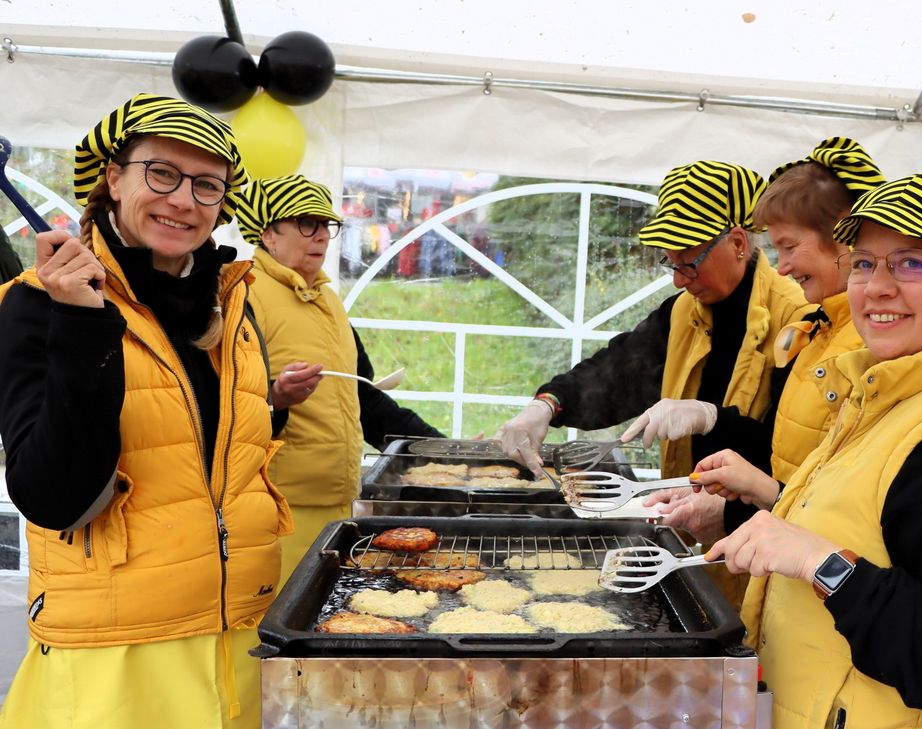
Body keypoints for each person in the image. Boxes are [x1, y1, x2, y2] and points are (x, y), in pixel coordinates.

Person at [0, 93, 317, 729]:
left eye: (207, 185)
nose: (183, 200)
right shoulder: (36, 305)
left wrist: (271, 409)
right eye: (162, 173)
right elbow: (52, 496)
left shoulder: (232, 302)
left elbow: (219, 444)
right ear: (113, 178)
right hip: (117, 659)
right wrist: (80, 324)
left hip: (244, 635)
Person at [697, 172, 922, 727]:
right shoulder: (886, 391)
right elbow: (861, 525)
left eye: (911, 262)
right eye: (865, 262)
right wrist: (742, 517)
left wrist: (821, 563)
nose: (877, 286)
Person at [494, 160, 812, 482]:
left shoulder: (798, 319)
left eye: (688, 263)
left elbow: (793, 453)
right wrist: (548, 404)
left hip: (759, 522)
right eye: (670, 263)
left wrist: (712, 419)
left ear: (738, 243)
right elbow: (617, 374)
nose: (678, 281)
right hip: (689, 508)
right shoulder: (683, 311)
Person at [646, 137, 880, 552]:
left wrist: (739, 506)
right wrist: (729, 458)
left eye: (790, 247)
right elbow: (785, 450)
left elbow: (853, 504)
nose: (784, 265)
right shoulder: (816, 328)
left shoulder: (871, 341)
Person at [237, 174, 444, 586]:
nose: (320, 237)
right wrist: (276, 396)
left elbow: (365, 399)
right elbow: (225, 405)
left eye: (327, 226)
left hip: (337, 501)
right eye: (305, 223)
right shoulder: (244, 296)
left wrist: (440, 450)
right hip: (278, 508)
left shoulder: (328, 300)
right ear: (267, 233)